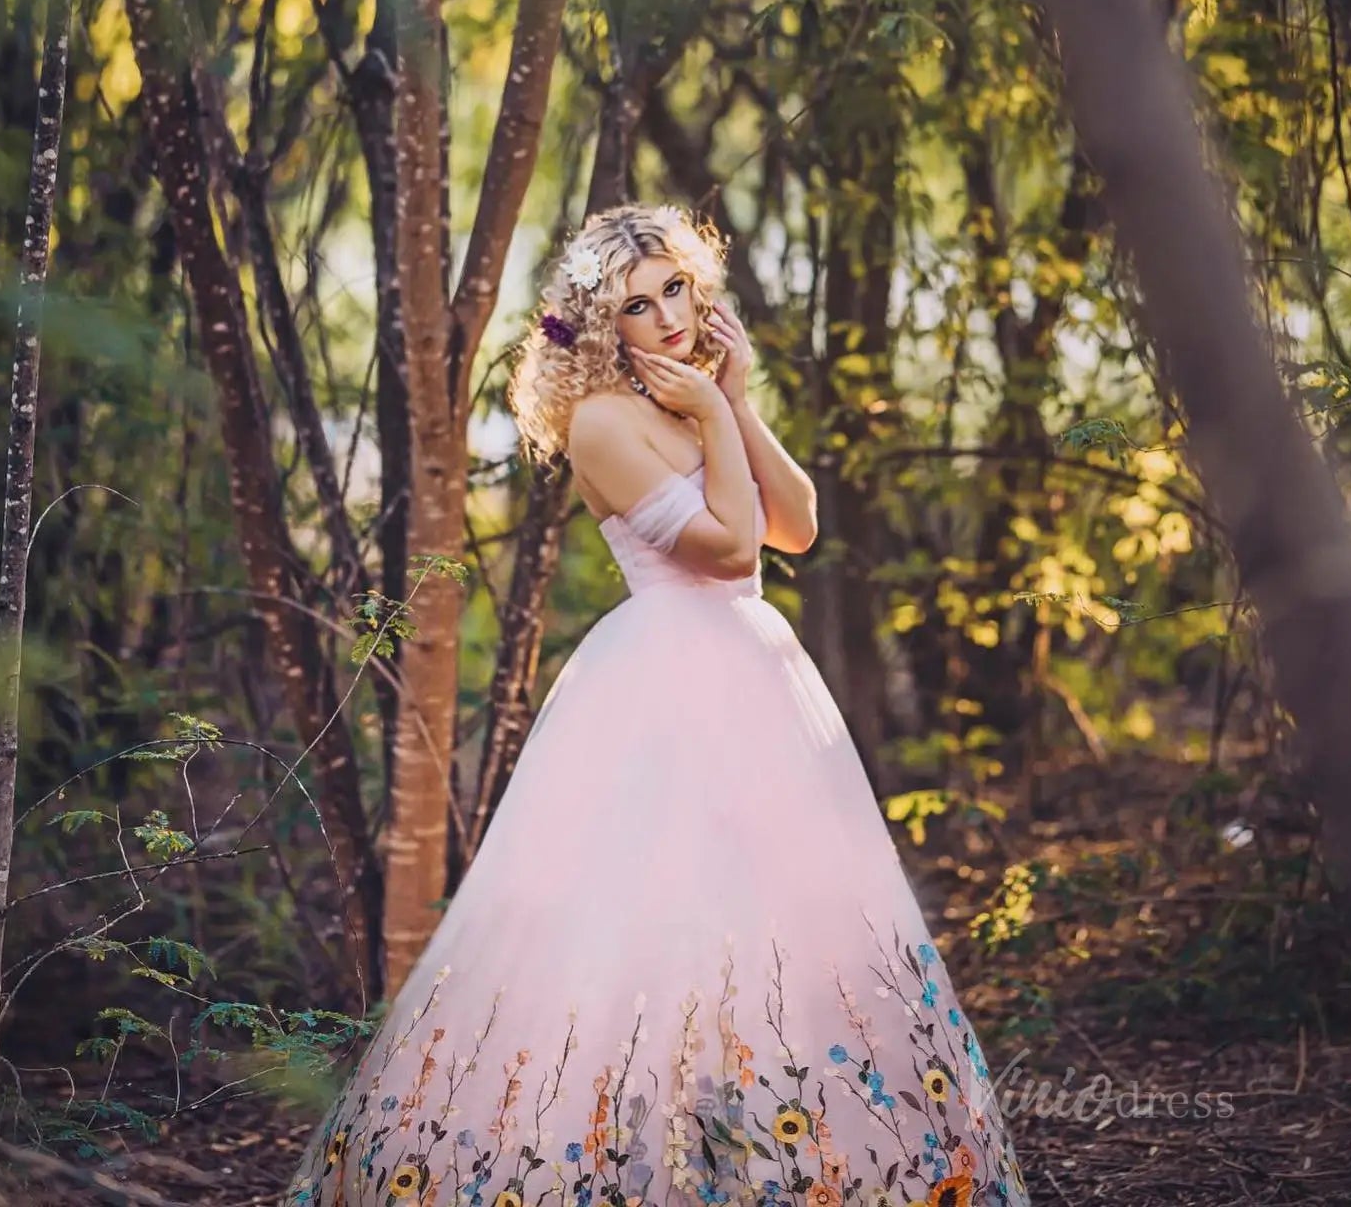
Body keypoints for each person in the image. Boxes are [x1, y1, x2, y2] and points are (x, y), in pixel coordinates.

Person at [284, 203, 1031, 1207]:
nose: (671, 315)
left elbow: (796, 526)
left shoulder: (693, 394)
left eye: (677, 286)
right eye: (640, 304)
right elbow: (728, 548)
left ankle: (778, 1164)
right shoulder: (603, 421)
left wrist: (737, 401)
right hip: (666, 679)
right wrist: (716, 419)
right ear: (604, 325)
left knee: (780, 923)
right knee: (652, 922)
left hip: (758, 671)